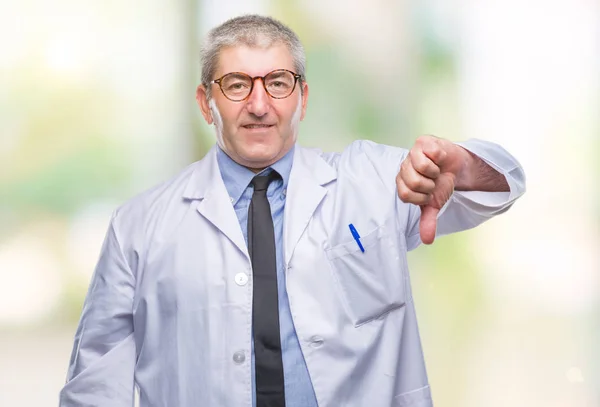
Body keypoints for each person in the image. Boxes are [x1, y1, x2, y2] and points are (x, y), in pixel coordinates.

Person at [59, 14, 525, 407]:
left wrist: (462, 164)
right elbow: (95, 389)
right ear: (207, 103)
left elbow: (506, 182)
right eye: (237, 84)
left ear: (301, 97)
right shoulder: (139, 226)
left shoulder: (372, 181)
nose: (259, 105)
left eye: (278, 83)